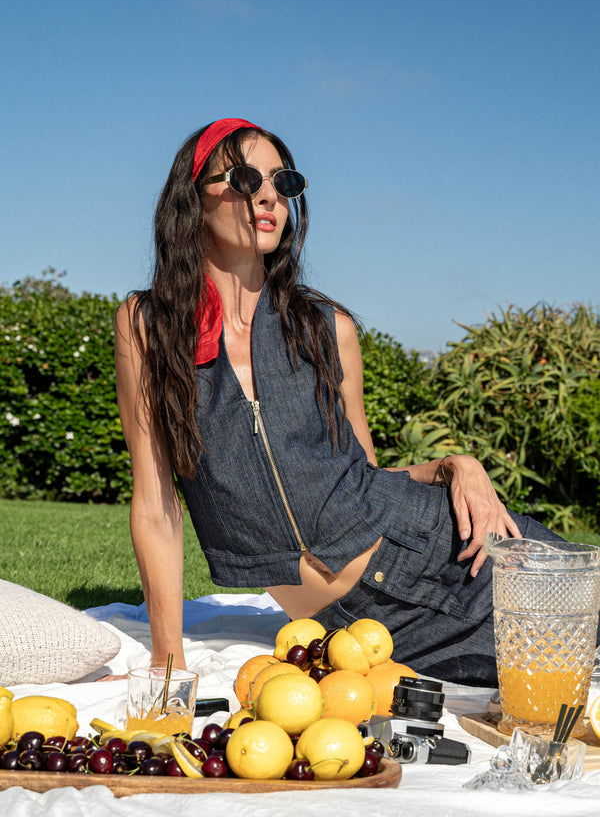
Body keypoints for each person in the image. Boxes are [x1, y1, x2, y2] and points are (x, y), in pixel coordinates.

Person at [115, 118, 565, 688]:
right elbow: (156, 507)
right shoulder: (148, 327)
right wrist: (167, 662)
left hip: (450, 553)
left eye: (284, 181)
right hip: (361, 631)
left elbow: (362, 478)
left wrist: (455, 466)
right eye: (247, 177)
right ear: (193, 195)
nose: (269, 194)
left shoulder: (326, 328)